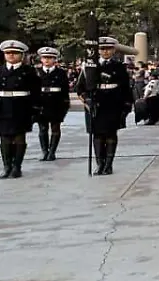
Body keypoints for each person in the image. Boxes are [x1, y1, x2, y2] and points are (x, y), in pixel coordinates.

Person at [76, 37, 134, 176]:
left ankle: (108, 164)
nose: (105, 51)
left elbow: (126, 88)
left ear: (113, 50)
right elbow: (80, 88)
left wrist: (127, 105)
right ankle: (99, 164)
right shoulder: (89, 67)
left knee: (111, 134)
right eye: (102, 49)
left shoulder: (119, 67)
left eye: (108, 49)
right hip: (96, 103)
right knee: (97, 135)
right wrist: (87, 100)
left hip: (113, 103)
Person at [0, 40, 40, 178]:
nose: (11, 55)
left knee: (19, 138)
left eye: (15, 53)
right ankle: (6, 166)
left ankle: (17, 167)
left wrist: (36, 110)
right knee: (5, 139)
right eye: (8, 53)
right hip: (0, 108)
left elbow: (36, 93)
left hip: (21, 108)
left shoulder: (29, 71)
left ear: (21, 55)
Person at [35, 47, 71, 161]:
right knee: (42, 129)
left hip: (56, 104)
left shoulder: (60, 73)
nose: (47, 60)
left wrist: (65, 106)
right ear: (41, 59)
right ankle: (44, 151)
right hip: (41, 104)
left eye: (50, 58)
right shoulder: (36, 72)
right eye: (45, 58)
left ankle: (52, 151)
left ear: (54, 59)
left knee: (55, 128)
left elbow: (65, 91)